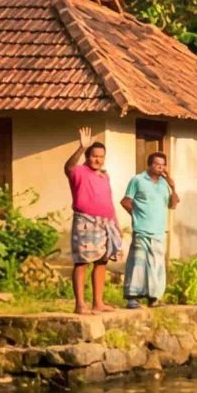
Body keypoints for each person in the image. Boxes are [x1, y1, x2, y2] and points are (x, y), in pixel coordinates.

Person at [63, 128, 124, 316]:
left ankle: (98, 302)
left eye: (101, 156)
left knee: (102, 261)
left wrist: (116, 224)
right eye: (94, 156)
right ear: (87, 157)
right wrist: (82, 147)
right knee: (82, 261)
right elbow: (68, 166)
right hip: (86, 221)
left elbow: (109, 199)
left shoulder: (104, 176)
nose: (98, 159)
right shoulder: (79, 172)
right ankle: (80, 304)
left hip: (106, 222)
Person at [121, 150, 177, 308]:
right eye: (157, 164)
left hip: (159, 231)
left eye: (163, 165)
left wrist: (173, 186)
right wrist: (136, 215)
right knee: (138, 263)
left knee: (156, 265)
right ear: (150, 165)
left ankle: (154, 298)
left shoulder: (164, 183)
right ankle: (133, 298)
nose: (160, 168)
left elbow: (173, 204)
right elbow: (125, 201)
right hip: (142, 229)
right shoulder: (137, 180)